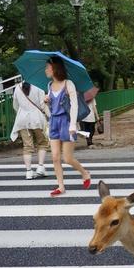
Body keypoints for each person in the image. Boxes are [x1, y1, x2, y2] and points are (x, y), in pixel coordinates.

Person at [44, 56, 91, 197]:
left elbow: (74, 105)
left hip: (66, 122)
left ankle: (85, 173)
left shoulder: (68, 83)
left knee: (68, 158)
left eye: (48, 67)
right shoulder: (49, 86)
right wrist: (46, 102)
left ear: (55, 68)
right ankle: (61, 186)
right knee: (55, 157)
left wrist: (72, 124)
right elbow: (50, 109)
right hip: (54, 122)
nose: (46, 70)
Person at [10, 82, 49, 179]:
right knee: (42, 143)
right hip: (37, 119)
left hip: (23, 119)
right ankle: (40, 167)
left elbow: (15, 105)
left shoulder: (17, 87)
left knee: (27, 146)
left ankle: (28, 171)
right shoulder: (39, 86)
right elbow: (42, 105)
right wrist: (50, 116)